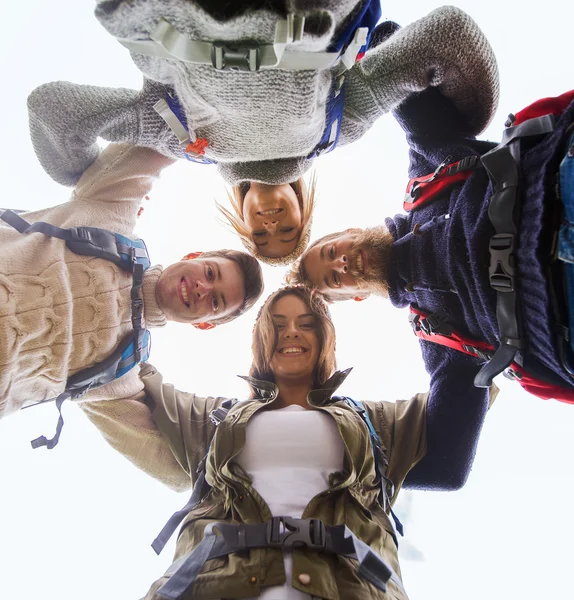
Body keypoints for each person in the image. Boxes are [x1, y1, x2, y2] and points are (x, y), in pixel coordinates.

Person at [80, 285, 497, 599]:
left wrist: (412, 285)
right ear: (260, 338)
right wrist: (145, 294)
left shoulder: (375, 422)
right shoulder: (213, 419)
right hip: (208, 588)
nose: (291, 333)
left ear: (325, 337)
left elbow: (467, 381)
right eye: (276, 325)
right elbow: (112, 378)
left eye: (306, 322)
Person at [26, 4, 499, 263]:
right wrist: (465, 138)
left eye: (261, 233)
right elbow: (449, 36)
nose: (272, 223)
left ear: (243, 216)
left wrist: (76, 177)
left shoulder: (178, 138)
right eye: (288, 229)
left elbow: (52, 109)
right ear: (301, 203)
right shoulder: (337, 131)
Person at [289, 85, 574, 402]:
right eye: (332, 278)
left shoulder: (428, 177)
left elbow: (396, 71)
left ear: (350, 230)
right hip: (562, 318)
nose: (339, 263)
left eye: (330, 252)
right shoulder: (438, 340)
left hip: (557, 181)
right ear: (356, 295)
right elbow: (447, 444)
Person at [0, 143, 263, 436]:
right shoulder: (111, 214)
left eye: (215, 301)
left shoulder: (120, 379)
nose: (203, 287)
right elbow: (153, 138)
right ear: (193, 256)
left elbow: (172, 462)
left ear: (203, 324)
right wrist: (211, 139)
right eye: (210, 272)